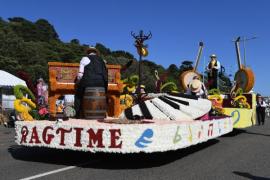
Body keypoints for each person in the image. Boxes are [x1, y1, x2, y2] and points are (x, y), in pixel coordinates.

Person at [74, 47, 108, 118]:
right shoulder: (102, 60)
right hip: (101, 83)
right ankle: (104, 113)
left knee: (78, 94)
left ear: (88, 52)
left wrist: (77, 82)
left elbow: (80, 74)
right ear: (96, 53)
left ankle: (78, 114)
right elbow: (105, 74)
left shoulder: (84, 58)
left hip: (88, 82)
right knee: (105, 95)